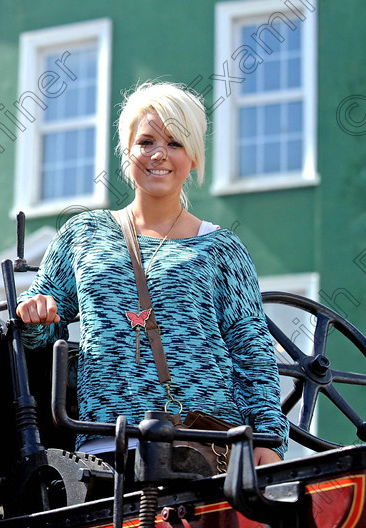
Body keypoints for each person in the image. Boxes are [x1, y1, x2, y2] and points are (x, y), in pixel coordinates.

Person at [16, 81, 288, 466]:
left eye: (175, 143)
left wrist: (267, 439)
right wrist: (35, 314)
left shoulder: (222, 248)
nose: (159, 154)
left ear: (193, 158)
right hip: (104, 440)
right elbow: (41, 336)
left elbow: (251, 349)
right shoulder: (84, 234)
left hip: (201, 442)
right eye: (146, 142)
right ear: (127, 151)